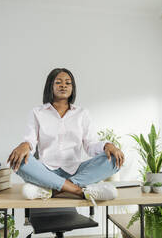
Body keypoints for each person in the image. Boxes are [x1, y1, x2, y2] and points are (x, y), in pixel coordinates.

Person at [7, 68, 125, 203]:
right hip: (46, 171)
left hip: (76, 171)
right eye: (58, 82)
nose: (63, 85)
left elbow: (90, 145)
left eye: (68, 83)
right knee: (18, 161)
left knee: (115, 160)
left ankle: (50, 190)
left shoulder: (82, 113)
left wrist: (107, 145)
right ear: (50, 86)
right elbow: (31, 141)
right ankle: (79, 191)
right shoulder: (37, 112)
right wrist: (25, 145)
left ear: (72, 88)